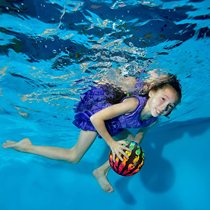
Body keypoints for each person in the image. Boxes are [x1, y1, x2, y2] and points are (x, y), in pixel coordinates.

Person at [2, 71, 182, 193]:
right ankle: (27, 146)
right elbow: (96, 119)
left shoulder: (154, 118)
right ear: (152, 92)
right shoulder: (132, 104)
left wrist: (132, 143)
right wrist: (112, 144)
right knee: (74, 157)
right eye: (162, 99)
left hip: (114, 124)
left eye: (169, 106)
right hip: (98, 112)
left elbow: (141, 134)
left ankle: (101, 171)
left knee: (132, 146)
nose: (163, 107)